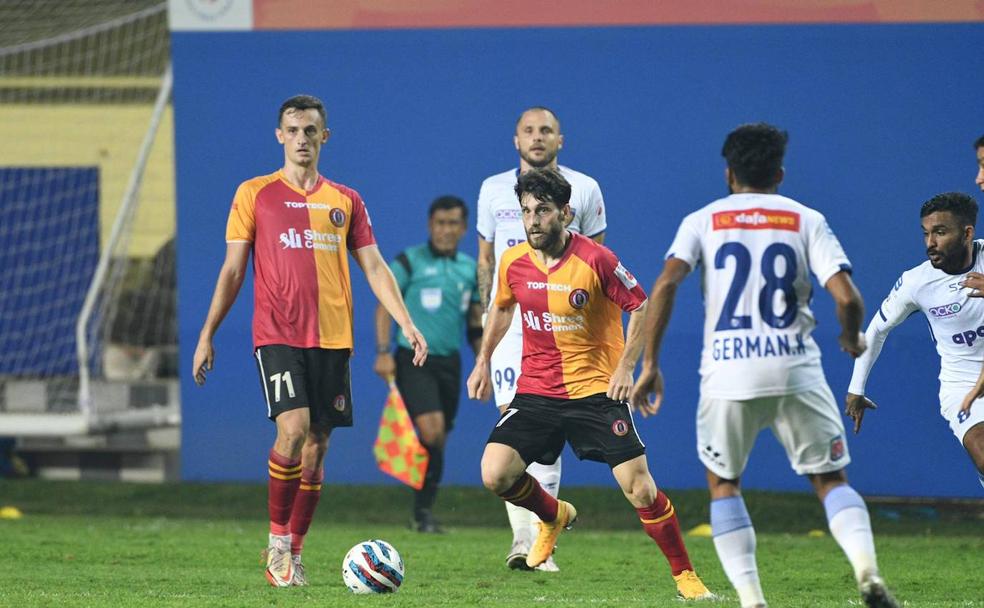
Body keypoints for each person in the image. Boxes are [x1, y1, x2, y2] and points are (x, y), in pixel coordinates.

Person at [631, 123, 897, 608]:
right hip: (795, 367)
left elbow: (666, 284)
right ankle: (868, 572)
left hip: (727, 373)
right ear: (779, 171)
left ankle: (753, 600)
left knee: (724, 483)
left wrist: (650, 362)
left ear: (729, 172)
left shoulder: (703, 220)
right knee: (830, 480)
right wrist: (849, 336)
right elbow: (847, 297)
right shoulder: (805, 219)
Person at [191, 94, 427, 588]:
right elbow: (234, 269)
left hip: (334, 339)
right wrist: (207, 333)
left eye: (311, 131)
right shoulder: (254, 193)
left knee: (317, 447)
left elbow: (376, 267)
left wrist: (405, 322)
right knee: (293, 429)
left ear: (325, 137)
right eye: (293, 130)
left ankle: (296, 553)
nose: (302, 139)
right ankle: (277, 544)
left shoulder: (346, 201)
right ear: (280, 135)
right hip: (277, 335)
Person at [468, 168, 713, 600]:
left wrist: (626, 367)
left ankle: (686, 577)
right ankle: (553, 514)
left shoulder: (595, 259)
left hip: (596, 390)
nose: (533, 221)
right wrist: (483, 360)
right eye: (526, 211)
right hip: (538, 390)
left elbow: (640, 305)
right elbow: (503, 308)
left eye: (542, 211)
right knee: (495, 473)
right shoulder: (514, 262)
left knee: (639, 488)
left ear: (565, 212)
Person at [475, 105, 607, 571]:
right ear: (516, 140)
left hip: (565, 328)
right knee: (517, 425)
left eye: (546, 130)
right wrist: (482, 329)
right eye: (528, 131)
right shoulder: (493, 189)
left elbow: (599, 264)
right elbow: (485, 263)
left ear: (560, 139)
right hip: (511, 324)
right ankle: (524, 538)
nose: (537, 137)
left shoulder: (585, 188)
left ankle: (538, 541)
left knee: (547, 429)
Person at [846, 192, 984, 492]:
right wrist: (856, 389)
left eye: (940, 232)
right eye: (926, 233)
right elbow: (876, 331)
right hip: (963, 388)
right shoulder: (916, 282)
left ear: (967, 233)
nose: (930, 243)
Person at [373, 195, 483, 532]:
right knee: (432, 430)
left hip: (450, 363)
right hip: (413, 359)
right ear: (429, 225)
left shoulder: (470, 269)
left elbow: (475, 321)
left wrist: (484, 360)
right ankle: (421, 511)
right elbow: (383, 307)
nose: (445, 230)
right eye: (440, 223)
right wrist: (383, 350)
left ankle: (422, 511)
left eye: (453, 224)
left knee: (438, 438)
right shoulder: (409, 262)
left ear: (464, 228)